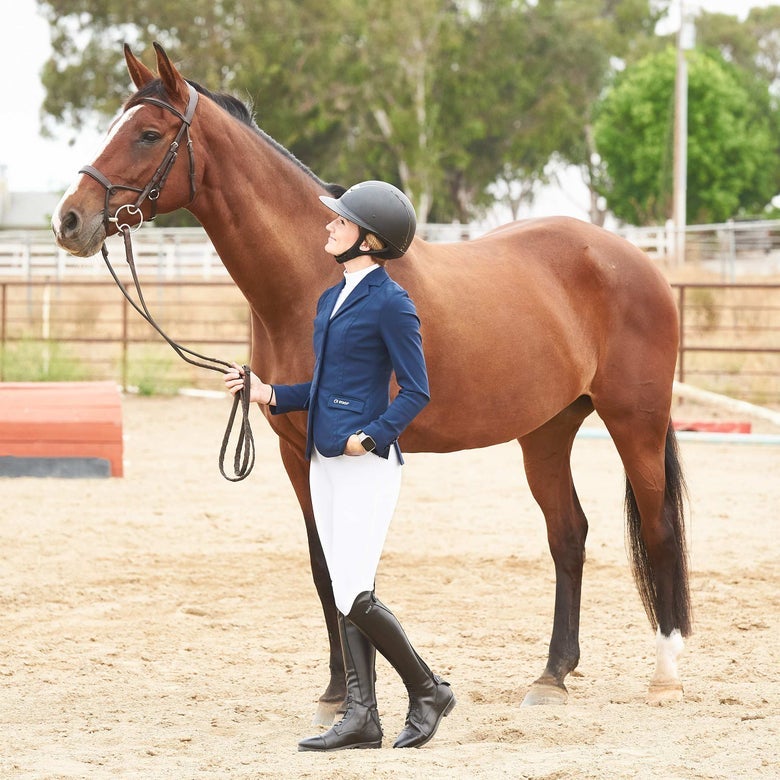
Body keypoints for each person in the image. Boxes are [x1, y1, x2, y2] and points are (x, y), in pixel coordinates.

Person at [224, 180, 455, 751]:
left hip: (365, 465)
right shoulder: (331, 300)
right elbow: (326, 385)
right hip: (323, 459)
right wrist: (270, 393)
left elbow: (417, 391)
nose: (329, 226)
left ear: (369, 240)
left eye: (341, 222)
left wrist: (373, 438)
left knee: (354, 594)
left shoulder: (393, 303)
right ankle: (362, 715)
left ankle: (428, 689)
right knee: (343, 586)